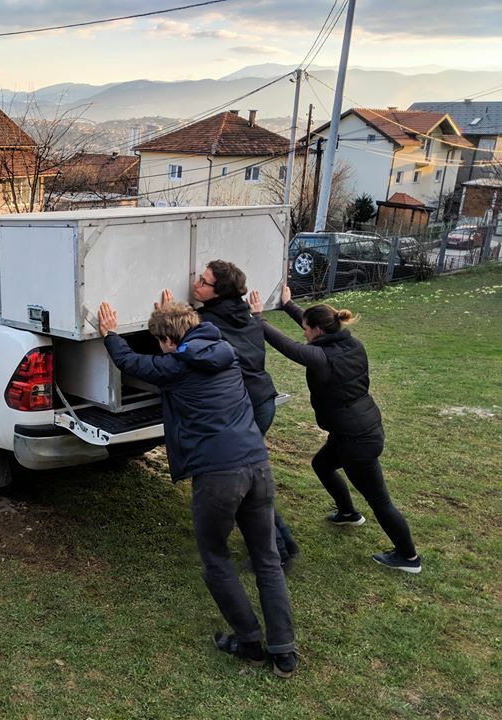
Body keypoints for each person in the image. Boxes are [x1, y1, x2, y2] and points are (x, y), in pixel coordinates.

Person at [98, 299, 297, 677]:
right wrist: (169, 318)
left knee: (215, 557)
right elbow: (185, 343)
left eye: (162, 342)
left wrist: (109, 333)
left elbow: (132, 363)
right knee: (267, 560)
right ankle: (284, 652)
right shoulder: (223, 350)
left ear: (170, 342)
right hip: (257, 465)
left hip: (218, 475)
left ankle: (250, 642)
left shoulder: (177, 366)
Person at [249, 285, 421, 573]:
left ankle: (409, 557)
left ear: (317, 330)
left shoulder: (322, 357)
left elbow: (288, 347)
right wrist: (289, 305)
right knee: (322, 464)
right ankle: (347, 513)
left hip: (357, 440)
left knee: (380, 499)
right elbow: (313, 327)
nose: (304, 332)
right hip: (358, 427)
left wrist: (257, 318)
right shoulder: (350, 343)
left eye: (306, 328)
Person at [165, 260, 299, 565]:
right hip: (264, 402)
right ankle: (283, 544)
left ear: (218, 292)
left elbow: (185, 350)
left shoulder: (206, 323)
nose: (196, 283)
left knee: (239, 484)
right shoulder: (247, 315)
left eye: (203, 281)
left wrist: (171, 319)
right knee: (249, 480)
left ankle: (275, 551)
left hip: (245, 408)